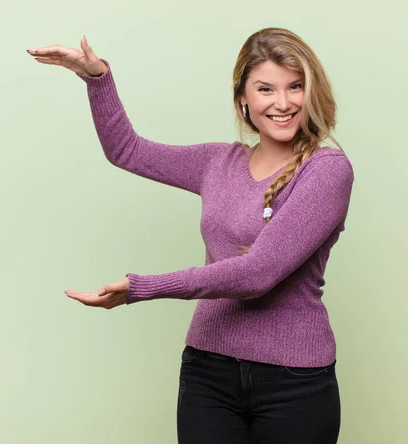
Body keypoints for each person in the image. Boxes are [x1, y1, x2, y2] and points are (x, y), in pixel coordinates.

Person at [27, 27, 353, 444]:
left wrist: (143, 287)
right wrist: (97, 79)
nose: (283, 103)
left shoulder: (326, 171)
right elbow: (126, 150)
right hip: (208, 372)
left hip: (294, 383)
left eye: (295, 86)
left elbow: (257, 274)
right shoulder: (217, 162)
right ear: (243, 98)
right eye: (266, 88)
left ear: (311, 93)